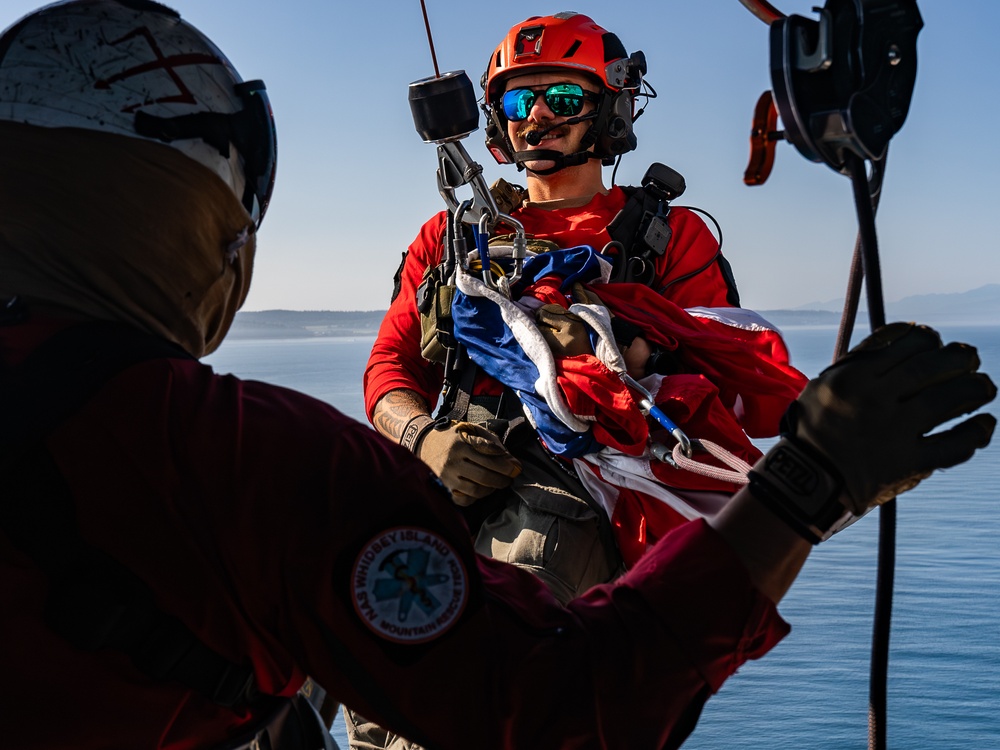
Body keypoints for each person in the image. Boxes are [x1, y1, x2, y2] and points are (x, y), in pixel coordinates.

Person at [0, 3, 995, 750]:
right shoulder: (451, 237)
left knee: (501, 614)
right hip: (441, 469)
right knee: (314, 680)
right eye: (521, 102)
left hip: (580, 491)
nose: (538, 120)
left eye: (564, 100)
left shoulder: (667, 235)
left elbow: (723, 380)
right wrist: (417, 435)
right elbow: (391, 362)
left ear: (608, 112)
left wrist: (613, 343)